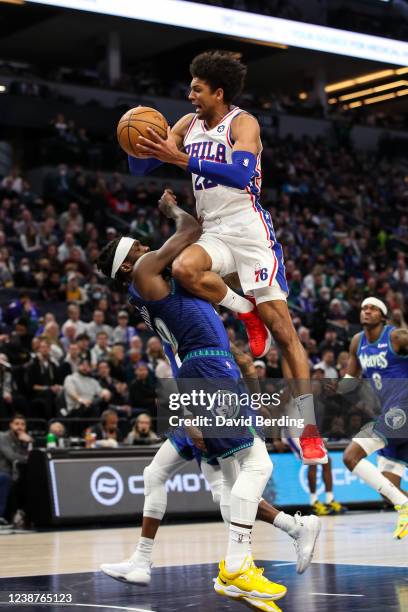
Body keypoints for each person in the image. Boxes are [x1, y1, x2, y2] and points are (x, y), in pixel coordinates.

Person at [97, 191, 319, 604]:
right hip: (209, 373)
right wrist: (171, 210)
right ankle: (243, 562)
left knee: (212, 483)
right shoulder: (145, 271)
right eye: (140, 249)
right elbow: (191, 230)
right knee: (254, 465)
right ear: (128, 264)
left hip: (202, 372)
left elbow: (207, 292)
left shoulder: (161, 289)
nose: (148, 249)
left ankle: (164, 562)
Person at [130, 50, 327, 466]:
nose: (190, 96)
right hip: (214, 227)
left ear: (218, 92)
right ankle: (244, 311)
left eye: (197, 89)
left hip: (249, 228)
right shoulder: (187, 124)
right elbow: (142, 169)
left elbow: (240, 174)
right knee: (184, 269)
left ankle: (308, 428)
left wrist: (180, 159)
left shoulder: (243, 122)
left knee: (285, 331)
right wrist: (137, 139)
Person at [343, 297, 408, 539]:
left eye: (372, 309)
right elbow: (350, 379)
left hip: (402, 410)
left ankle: (404, 507)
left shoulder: (396, 337)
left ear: (383, 316)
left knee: (350, 457)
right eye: (363, 308)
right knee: (388, 489)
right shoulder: (357, 342)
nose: (366, 311)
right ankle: (404, 505)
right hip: (389, 413)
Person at [0, 414, 31, 527]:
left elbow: (30, 456)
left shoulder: (24, 439)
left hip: (16, 474)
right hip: (3, 471)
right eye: (17, 424)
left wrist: (27, 443)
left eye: (23, 424)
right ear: (11, 425)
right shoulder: (3, 437)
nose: (20, 427)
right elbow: (11, 456)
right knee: (5, 478)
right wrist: (26, 458)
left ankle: (27, 517)